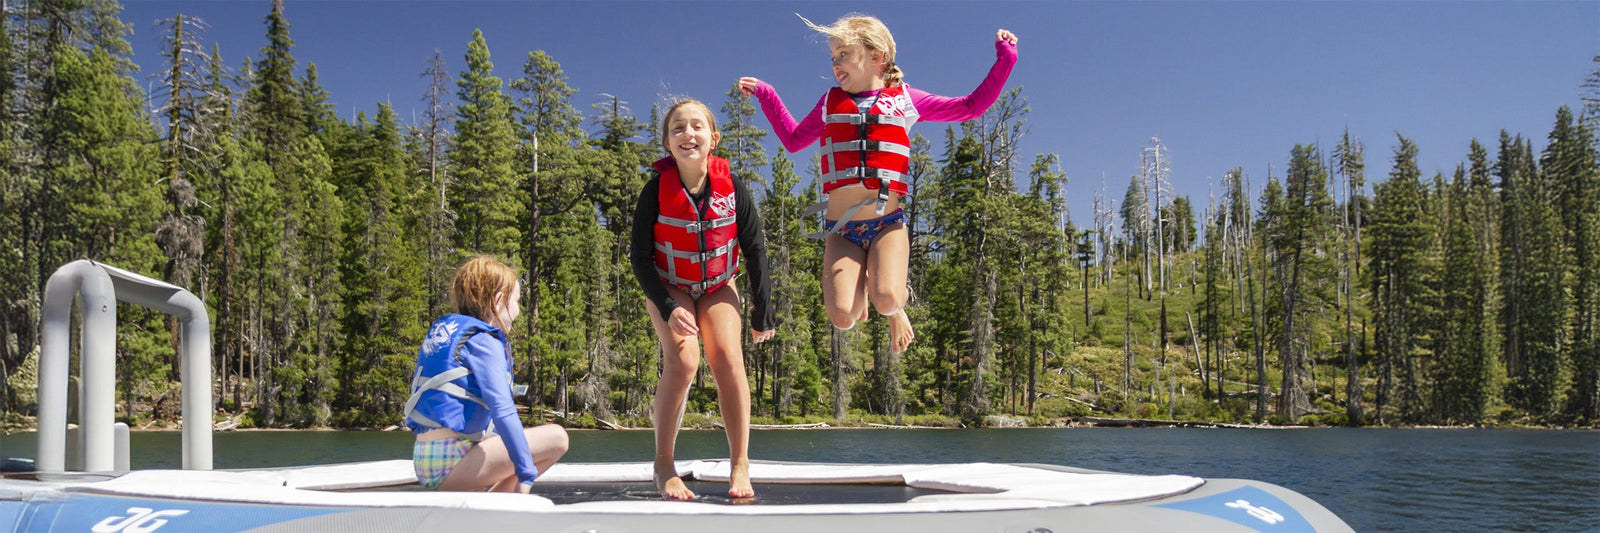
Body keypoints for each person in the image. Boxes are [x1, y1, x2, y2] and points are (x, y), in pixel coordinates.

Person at [739, 14, 1018, 354]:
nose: (836, 64)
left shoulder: (904, 100)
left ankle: (893, 306)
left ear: (877, 56)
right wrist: (768, 95)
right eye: (833, 57)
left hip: (887, 224)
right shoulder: (830, 103)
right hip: (842, 230)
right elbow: (795, 140)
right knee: (843, 317)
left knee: (886, 300)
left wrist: (1006, 59)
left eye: (843, 54)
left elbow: (971, 108)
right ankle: (867, 290)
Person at [630, 98, 776, 501]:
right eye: (678, 128)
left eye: (697, 127)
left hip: (717, 284)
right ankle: (664, 464)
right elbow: (640, 258)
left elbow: (755, 247)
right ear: (667, 142)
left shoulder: (733, 187)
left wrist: (764, 310)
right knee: (684, 359)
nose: (687, 134)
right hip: (669, 284)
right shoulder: (655, 191)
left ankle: (740, 462)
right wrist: (668, 305)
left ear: (714, 139)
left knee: (728, 357)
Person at [404, 255, 569, 493]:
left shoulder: (453, 334)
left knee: (511, 439)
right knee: (557, 438)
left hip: (426, 458)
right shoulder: (484, 341)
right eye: (517, 302)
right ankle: (511, 502)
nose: (518, 312)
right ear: (499, 300)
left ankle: (491, 506)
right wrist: (526, 473)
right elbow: (503, 411)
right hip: (453, 462)